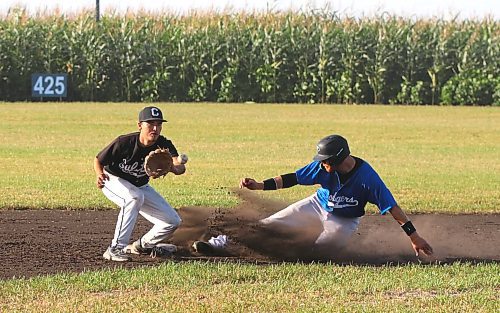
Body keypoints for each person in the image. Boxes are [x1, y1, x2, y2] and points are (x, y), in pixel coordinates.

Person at [239, 134, 433, 258]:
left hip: (344, 221)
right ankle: (220, 243)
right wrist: (259, 185)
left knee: (318, 254)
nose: (322, 164)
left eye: (325, 161)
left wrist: (414, 237)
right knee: (266, 225)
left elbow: (392, 207)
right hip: (316, 205)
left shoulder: (367, 179)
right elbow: (292, 178)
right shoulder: (322, 167)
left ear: (338, 159)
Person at [94, 106, 187, 262]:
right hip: (113, 180)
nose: (155, 128)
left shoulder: (163, 144)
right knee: (134, 198)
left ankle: (142, 246)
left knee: (172, 221)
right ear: (140, 125)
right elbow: (98, 160)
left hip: (139, 185)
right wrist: (99, 174)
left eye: (159, 124)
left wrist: (172, 166)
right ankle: (114, 249)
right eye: (150, 124)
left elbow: (180, 167)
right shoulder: (124, 142)